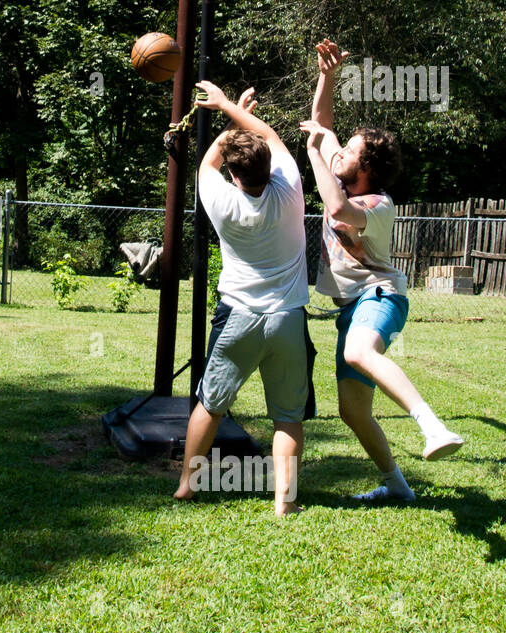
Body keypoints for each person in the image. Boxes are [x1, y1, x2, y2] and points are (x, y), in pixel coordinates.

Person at [300, 39, 463, 504]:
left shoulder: (377, 205)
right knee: (352, 411)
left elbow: (335, 205)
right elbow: (324, 126)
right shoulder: (347, 170)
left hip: (381, 296)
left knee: (357, 353)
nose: (338, 152)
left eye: (347, 151)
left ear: (365, 166)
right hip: (350, 306)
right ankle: (396, 485)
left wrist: (313, 152)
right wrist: (327, 75)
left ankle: (431, 426)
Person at [174, 80, 311, 516]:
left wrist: (222, 114)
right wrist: (234, 109)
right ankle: (283, 503)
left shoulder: (219, 197)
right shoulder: (290, 190)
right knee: (287, 415)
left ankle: (186, 487)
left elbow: (209, 163)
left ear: (235, 176)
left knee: (210, 404)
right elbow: (269, 136)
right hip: (287, 318)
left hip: (238, 317)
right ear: (270, 167)